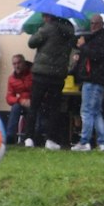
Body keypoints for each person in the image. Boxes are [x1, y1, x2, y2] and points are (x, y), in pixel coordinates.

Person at [28, 13, 76, 150]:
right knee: (54, 108)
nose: (43, 18)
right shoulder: (70, 29)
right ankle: (51, 139)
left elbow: (31, 43)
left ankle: (29, 137)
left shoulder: (47, 28)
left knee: (34, 106)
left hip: (41, 74)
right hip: (58, 75)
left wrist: (40, 30)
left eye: (44, 16)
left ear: (50, 17)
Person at [74, 13, 104, 152]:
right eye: (91, 23)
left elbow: (96, 55)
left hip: (93, 80)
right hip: (99, 80)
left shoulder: (101, 38)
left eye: (95, 23)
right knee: (96, 112)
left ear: (101, 24)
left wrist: (83, 47)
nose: (92, 26)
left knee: (86, 111)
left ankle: (85, 141)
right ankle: (102, 143)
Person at [4, 54, 35, 146]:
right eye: (14, 64)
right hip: (21, 101)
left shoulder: (33, 74)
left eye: (19, 63)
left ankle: (31, 137)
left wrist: (31, 101)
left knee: (32, 109)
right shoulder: (11, 78)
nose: (16, 66)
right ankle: (10, 137)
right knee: (15, 108)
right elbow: (9, 97)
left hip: (34, 101)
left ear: (24, 63)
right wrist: (20, 100)